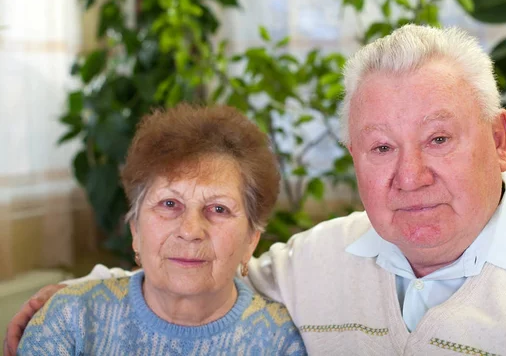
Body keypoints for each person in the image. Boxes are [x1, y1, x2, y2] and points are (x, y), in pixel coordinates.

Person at [6, 24, 506, 355]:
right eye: (382, 147)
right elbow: (209, 269)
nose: (410, 175)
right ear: (354, 160)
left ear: (499, 141)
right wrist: (85, 292)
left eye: (439, 139)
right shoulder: (322, 260)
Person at [15, 104, 306, 355]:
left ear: (251, 241)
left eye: (219, 209)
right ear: (135, 232)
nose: (191, 230)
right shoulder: (67, 321)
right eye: (169, 203)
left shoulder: (280, 342)